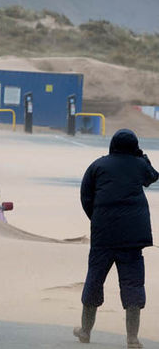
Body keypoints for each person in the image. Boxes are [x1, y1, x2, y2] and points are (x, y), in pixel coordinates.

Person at [74, 129, 158, 348]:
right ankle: (132, 338)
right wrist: (142, 156)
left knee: (94, 279)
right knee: (133, 284)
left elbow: (85, 195)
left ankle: (85, 331)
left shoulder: (98, 165)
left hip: (103, 235)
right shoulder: (139, 165)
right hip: (132, 236)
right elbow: (153, 176)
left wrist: (98, 218)